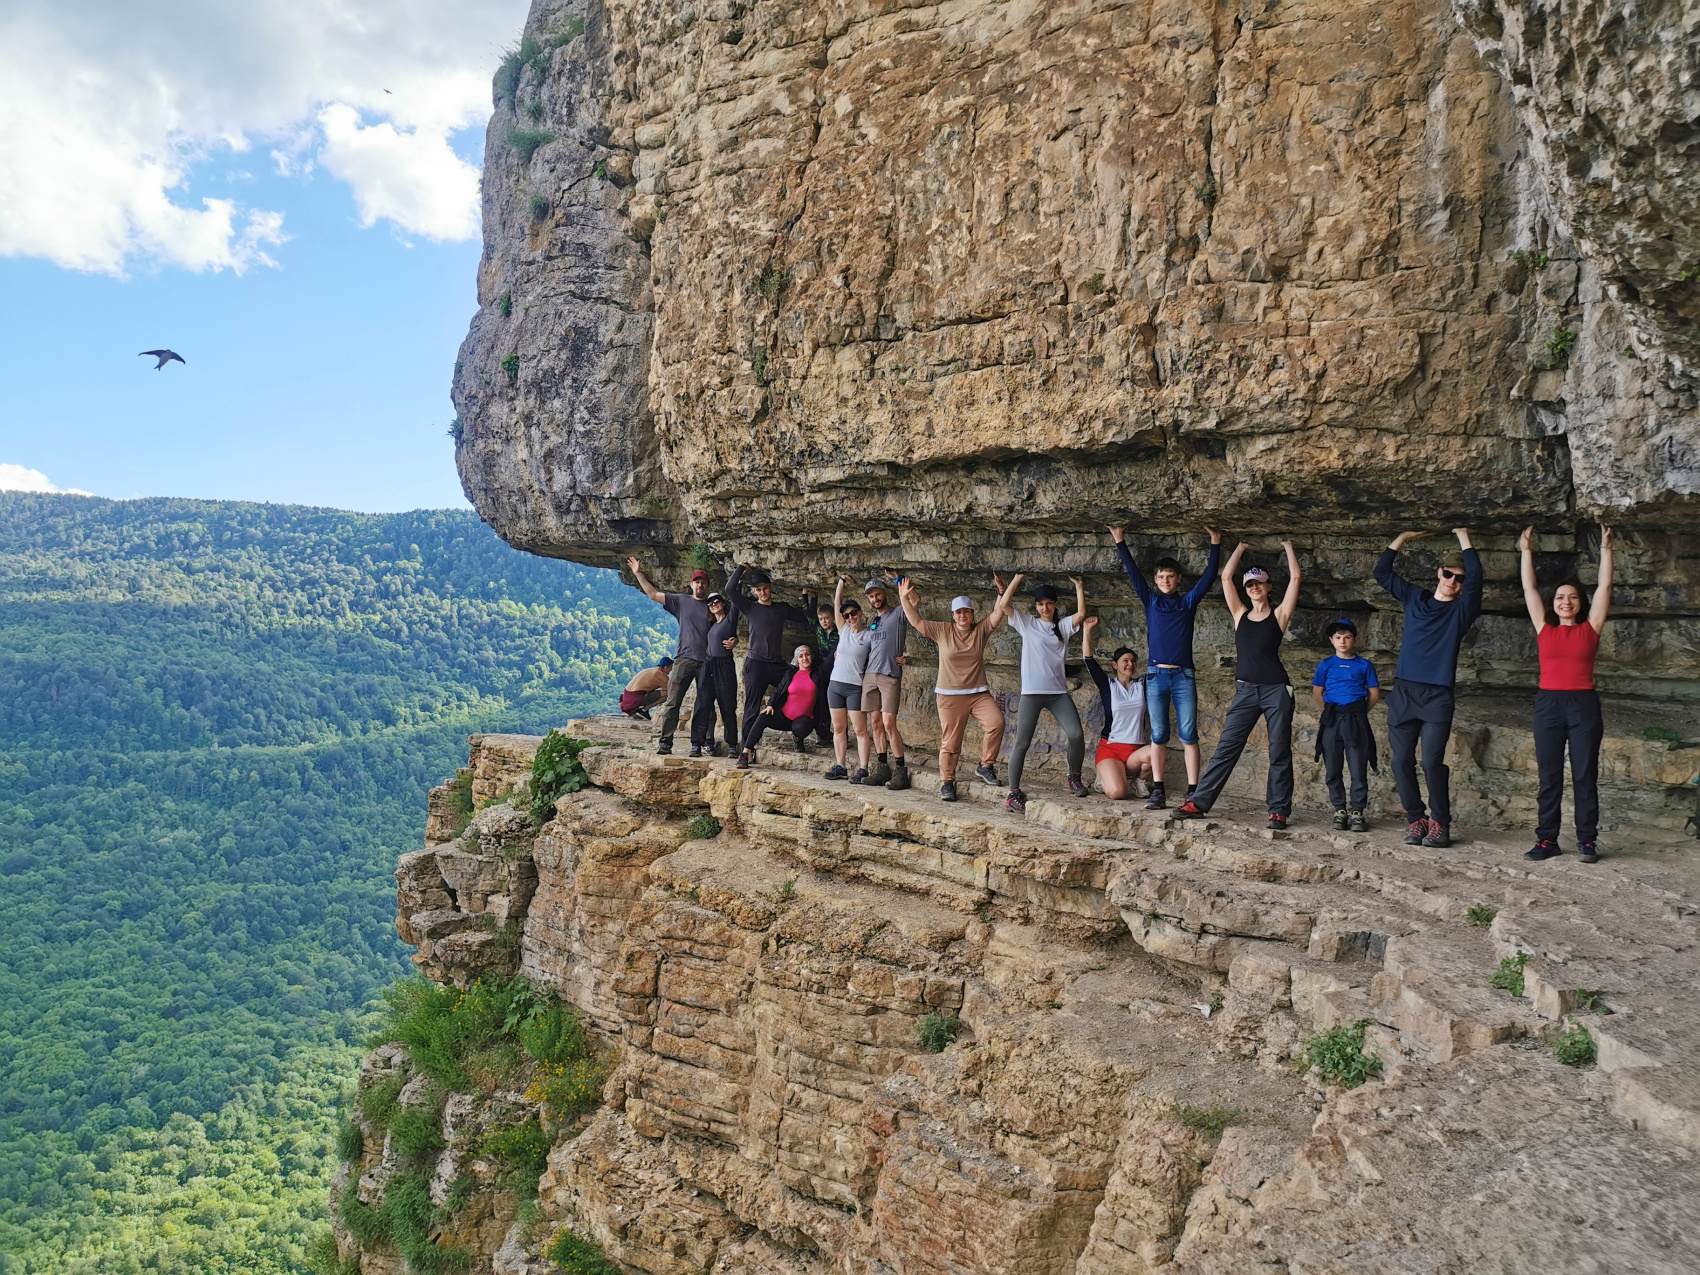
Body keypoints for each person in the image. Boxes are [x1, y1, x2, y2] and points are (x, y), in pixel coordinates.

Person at [1177, 541, 1302, 828]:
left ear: (1269, 586)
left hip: (1275, 690)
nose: (1254, 588)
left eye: (1259, 583)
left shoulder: (1279, 615)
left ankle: (1278, 810)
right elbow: (1224, 577)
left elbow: (1296, 578)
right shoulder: (1240, 614)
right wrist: (1241, 547)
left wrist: (1287, 546)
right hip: (1245, 690)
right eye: (1249, 585)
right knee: (1226, 747)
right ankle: (1199, 802)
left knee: (1279, 749)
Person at [1374, 528, 1483, 848]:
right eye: (1448, 574)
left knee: (1431, 762)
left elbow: (1477, 579)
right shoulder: (1415, 597)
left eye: (1458, 578)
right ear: (1439, 573)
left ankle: (1440, 823)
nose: (1453, 581)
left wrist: (1464, 537)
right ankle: (1415, 819)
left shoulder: (1462, 611)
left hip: (1437, 696)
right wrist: (1402, 538)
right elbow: (1381, 572)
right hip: (1405, 692)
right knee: (1399, 761)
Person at [1108, 525, 1222, 810]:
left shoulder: (1187, 602)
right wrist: (1120, 540)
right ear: (1156, 580)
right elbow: (1134, 575)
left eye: (1170, 576)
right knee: (1158, 734)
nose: (1165, 580)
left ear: (1178, 579)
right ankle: (1158, 789)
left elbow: (1208, 579)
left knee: (1188, 734)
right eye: (1161, 576)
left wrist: (1216, 544)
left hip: (1183, 675)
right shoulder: (1152, 601)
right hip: (1157, 675)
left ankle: (1194, 791)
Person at [1520, 525, 1615, 863]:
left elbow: (1604, 586)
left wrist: (1605, 549)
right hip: (1548, 703)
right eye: (1560, 597)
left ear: (1579, 603)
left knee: (1584, 774)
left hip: (1583, 704)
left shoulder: (1592, 627)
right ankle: (1547, 840)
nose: (1565, 601)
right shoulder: (1543, 627)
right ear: (1554, 603)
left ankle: (1587, 841)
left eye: (1572, 597)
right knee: (1549, 776)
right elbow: (1529, 587)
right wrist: (1526, 551)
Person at [896, 575, 1013, 802]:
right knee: (951, 742)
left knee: (996, 722)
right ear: (953, 615)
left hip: (978, 693)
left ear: (971, 614)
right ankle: (947, 782)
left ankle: (985, 766)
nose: (962, 616)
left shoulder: (980, 631)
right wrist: (904, 599)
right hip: (950, 696)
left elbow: (998, 613)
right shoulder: (943, 630)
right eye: (958, 612)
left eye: (966, 612)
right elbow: (916, 622)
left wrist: (1001, 591)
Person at [1004, 575, 1089, 814]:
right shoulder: (1027, 623)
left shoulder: (1061, 627)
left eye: (1049, 603)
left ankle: (1074, 777)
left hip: (1057, 693)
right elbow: (1003, 606)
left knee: (1076, 734)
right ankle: (1013, 793)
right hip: (1031, 693)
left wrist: (1079, 587)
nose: (1045, 607)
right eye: (1041, 604)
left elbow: (1081, 614)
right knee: (1021, 742)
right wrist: (1016, 580)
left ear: (1055, 604)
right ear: (1036, 606)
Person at [626, 558, 715, 755]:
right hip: (683, 659)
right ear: (691, 584)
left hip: (707, 662)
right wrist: (638, 573)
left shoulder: (713, 606)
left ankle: (705, 742)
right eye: (697, 582)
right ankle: (665, 742)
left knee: (706, 704)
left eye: (703, 582)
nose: (700, 585)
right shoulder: (682, 601)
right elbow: (652, 594)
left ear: (707, 586)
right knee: (673, 701)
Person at [729, 564, 812, 747]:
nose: (762, 592)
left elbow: (805, 617)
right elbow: (730, 590)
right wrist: (740, 569)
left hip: (776, 664)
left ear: (771, 587)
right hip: (755, 664)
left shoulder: (780, 609)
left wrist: (807, 598)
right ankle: (746, 749)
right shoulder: (749, 607)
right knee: (751, 706)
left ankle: (797, 733)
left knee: (795, 689)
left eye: (765, 588)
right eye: (758, 590)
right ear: (754, 591)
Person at [1311, 619, 1381, 831]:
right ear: (1332, 640)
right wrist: (1333, 711)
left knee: (1358, 766)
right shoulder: (1326, 665)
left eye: (1347, 637)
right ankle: (1339, 809)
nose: (1343, 641)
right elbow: (1317, 692)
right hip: (1332, 719)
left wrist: (1358, 713)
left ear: (1354, 640)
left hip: (1355, 719)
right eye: (1338, 637)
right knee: (1332, 766)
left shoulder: (1364, 665)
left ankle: (1358, 811)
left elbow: (1374, 693)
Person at [1080, 617, 1159, 799]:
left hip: (1135, 751)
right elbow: (1089, 660)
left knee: (1157, 750)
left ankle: (1140, 781)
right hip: (1111, 749)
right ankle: (1105, 777)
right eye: (1125, 660)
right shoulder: (1108, 685)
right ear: (1115, 665)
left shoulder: (1142, 684)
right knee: (1117, 793)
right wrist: (1087, 630)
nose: (1129, 664)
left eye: (1133, 661)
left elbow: (1160, 667)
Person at [860, 576, 911, 790]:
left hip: (890, 674)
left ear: (885, 594)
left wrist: (901, 582)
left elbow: (914, 603)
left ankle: (901, 769)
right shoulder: (874, 622)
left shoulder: (898, 613)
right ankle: (882, 768)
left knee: (889, 723)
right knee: (876, 723)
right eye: (871, 596)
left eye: (878, 594)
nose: (875, 599)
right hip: (871, 675)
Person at [824, 577, 874, 781]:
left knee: (860, 729)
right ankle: (840, 765)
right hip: (835, 684)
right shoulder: (843, 631)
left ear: (861, 614)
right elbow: (837, 603)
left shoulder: (869, 636)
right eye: (847, 615)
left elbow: (880, 653)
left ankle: (863, 768)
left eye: (854, 613)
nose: (851, 617)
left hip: (855, 686)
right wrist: (841, 583)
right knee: (838, 728)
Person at [738, 646, 822, 766]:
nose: (805, 658)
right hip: (784, 716)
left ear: (812, 657)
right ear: (797, 659)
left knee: (800, 728)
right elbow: (779, 690)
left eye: (807, 655)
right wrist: (770, 704)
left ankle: (798, 740)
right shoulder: (791, 673)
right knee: (763, 716)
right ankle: (746, 752)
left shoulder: (817, 674)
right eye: (801, 656)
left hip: (802, 720)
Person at [689, 592, 740, 757]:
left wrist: (739, 574)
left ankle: (732, 744)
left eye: (717, 601)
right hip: (709, 664)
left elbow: (736, 597)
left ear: (723, 603)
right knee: (702, 704)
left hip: (724, 664)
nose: (713, 605)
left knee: (727, 704)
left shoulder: (729, 619)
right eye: (710, 604)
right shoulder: (713, 625)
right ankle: (697, 744)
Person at [803, 590, 839, 747]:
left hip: (836, 668)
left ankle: (841, 733)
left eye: (827, 618)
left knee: (837, 702)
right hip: (822, 666)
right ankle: (824, 734)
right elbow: (808, 613)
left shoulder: (840, 631)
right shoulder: (818, 629)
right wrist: (809, 596)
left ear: (833, 618)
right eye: (821, 619)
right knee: (821, 701)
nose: (824, 621)